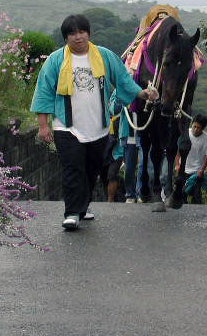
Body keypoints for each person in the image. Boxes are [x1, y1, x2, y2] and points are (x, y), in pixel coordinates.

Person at [31, 14, 158, 230]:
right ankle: (72, 212)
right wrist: (43, 125)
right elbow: (43, 91)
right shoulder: (55, 60)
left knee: (91, 169)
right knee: (72, 169)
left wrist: (143, 94)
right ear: (66, 38)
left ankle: (84, 206)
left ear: (88, 34)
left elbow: (123, 81)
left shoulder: (104, 56)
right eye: (72, 33)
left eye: (81, 32)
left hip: (98, 127)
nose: (78, 37)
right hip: (66, 126)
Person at [174, 114, 207, 204]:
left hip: (196, 172)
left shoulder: (206, 138)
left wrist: (202, 170)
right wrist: (177, 165)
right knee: (182, 194)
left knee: (197, 196)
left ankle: (197, 214)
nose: (195, 129)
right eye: (194, 126)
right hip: (183, 169)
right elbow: (177, 152)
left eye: (198, 128)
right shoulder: (185, 134)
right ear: (191, 124)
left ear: (203, 129)